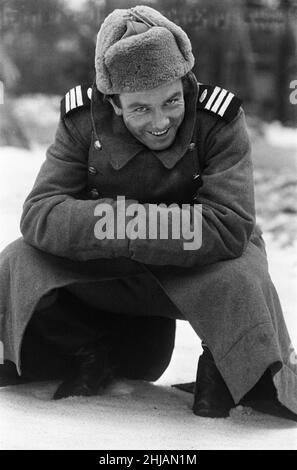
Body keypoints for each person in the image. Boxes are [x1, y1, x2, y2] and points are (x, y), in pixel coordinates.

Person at [0, 5, 296, 419]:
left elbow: (229, 225)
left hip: (197, 270)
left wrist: (119, 222)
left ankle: (225, 370)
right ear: (114, 104)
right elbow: (40, 215)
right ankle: (86, 351)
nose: (161, 121)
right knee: (19, 260)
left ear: (185, 84)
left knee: (244, 271)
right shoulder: (83, 120)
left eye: (172, 100)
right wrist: (132, 225)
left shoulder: (219, 119)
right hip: (112, 268)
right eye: (140, 108)